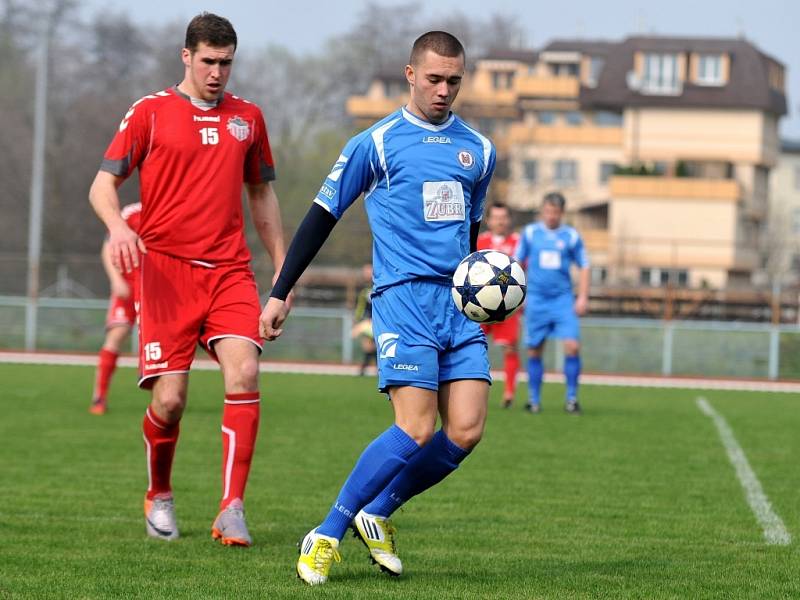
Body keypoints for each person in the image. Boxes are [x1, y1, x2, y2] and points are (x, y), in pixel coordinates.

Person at [260, 31, 496, 585]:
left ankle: (379, 510)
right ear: (410, 74)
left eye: (454, 81)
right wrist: (280, 289)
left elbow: (472, 231)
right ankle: (325, 533)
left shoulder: (479, 151)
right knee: (414, 428)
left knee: (464, 430)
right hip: (404, 299)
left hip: (458, 306)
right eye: (434, 79)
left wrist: (485, 292)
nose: (443, 90)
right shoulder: (378, 142)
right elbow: (322, 215)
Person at [88, 12, 286, 547]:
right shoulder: (150, 113)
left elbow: (261, 196)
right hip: (166, 275)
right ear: (186, 57)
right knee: (170, 401)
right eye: (208, 62)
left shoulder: (248, 118)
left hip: (229, 272)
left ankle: (232, 508)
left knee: (244, 372)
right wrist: (117, 229)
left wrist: (282, 278)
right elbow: (103, 186)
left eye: (226, 62)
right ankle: (159, 491)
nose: (217, 73)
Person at [514, 192, 590, 414]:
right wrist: (518, 295)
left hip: (563, 300)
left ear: (562, 213)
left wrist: (583, 296)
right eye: (547, 211)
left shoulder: (571, 236)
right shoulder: (530, 233)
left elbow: (584, 265)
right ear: (542, 211)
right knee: (535, 350)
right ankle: (534, 400)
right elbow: (518, 262)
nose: (551, 216)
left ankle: (572, 399)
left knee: (572, 346)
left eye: (555, 212)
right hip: (536, 298)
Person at [89, 202, 142, 415]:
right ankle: (99, 397)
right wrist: (116, 280)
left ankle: (163, 400)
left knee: (160, 342)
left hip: (154, 288)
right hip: (127, 285)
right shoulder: (130, 213)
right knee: (117, 334)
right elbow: (107, 247)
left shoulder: (170, 211)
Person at [476, 202, 521, 408]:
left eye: (504, 217)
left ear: (509, 219)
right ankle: (474, 389)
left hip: (507, 307)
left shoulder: (518, 242)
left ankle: (509, 392)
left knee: (510, 348)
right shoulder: (479, 241)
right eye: (496, 217)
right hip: (479, 305)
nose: (500, 221)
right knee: (473, 347)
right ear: (489, 220)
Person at [351, 264, 377, 376]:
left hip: (375, 320)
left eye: (368, 271)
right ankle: (366, 369)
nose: (366, 274)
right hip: (367, 320)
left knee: (372, 345)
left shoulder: (378, 286)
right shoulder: (364, 289)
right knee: (368, 345)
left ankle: (365, 369)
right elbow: (361, 306)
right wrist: (357, 319)